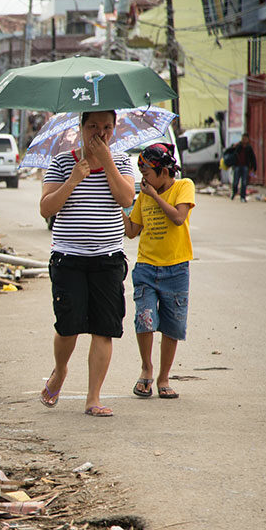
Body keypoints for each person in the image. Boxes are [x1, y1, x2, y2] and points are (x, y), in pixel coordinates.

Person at [38, 110, 135, 417]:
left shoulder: (119, 161)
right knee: (69, 327)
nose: (100, 133)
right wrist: (74, 178)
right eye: (93, 126)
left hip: (108, 259)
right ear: (80, 128)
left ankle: (93, 398)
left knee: (104, 329)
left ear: (114, 129)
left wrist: (106, 162)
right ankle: (60, 370)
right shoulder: (62, 162)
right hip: (69, 258)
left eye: (107, 127)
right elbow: (46, 208)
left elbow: (126, 199)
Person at [123, 143, 195, 400]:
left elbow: (178, 218)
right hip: (146, 267)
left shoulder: (183, 186)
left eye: (148, 174)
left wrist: (153, 195)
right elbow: (132, 232)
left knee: (172, 326)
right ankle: (146, 369)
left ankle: (164, 377)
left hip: (176, 269)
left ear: (164, 171)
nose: (144, 179)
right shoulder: (144, 194)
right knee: (144, 319)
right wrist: (124, 204)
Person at [225, 134, 256, 202]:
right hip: (237, 166)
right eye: (243, 138)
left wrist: (254, 168)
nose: (244, 140)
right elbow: (228, 151)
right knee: (235, 182)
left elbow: (253, 158)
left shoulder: (249, 148)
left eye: (245, 138)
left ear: (248, 139)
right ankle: (234, 192)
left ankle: (242, 197)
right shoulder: (238, 146)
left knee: (244, 182)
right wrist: (232, 147)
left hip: (245, 167)